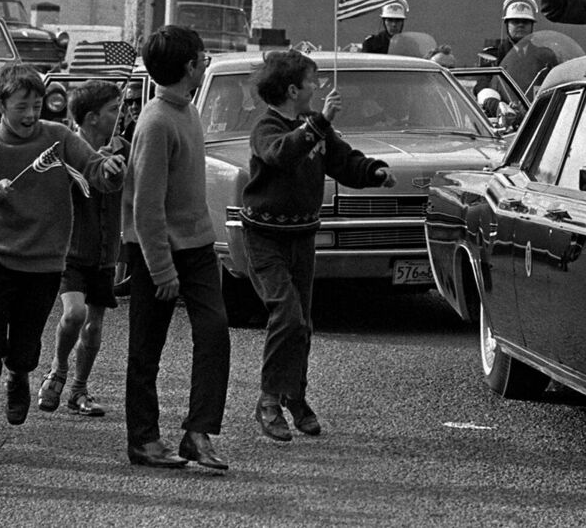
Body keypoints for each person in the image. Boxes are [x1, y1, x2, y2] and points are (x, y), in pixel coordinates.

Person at [0, 63, 125, 467]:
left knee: (25, 350)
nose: (31, 115)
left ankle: (20, 373)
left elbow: (95, 172)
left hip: (46, 263)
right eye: (21, 107)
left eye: (36, 106)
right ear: (0, 105)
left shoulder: (59, 137)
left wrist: (111, 170)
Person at [243, 49, 395, 441]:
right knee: (287, 317)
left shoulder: (316, 128)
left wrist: (373, 172)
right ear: (293, 89)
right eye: (313, 81)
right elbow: (281, 155)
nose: (319, 86)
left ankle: (296, 396)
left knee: (303, 326)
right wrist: (322, 121)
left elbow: (344, 161)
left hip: (302, 237)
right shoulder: (266, 126)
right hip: (265, 237)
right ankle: (268, 401)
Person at [124, 26, 230, 471]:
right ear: (189, 67)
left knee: (215, 332)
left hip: (199, 245)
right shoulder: (156, 120)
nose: (206, 62)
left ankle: (197, 432)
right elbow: (145, 208)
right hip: (157, 251)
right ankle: (143, 440)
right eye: (202, 57)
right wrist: (162, 270)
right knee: (146, 348)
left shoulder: (186, 109)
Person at [37, 80, 127, 418]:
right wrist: (91, 165)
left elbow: (130, 185)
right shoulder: (63, 149)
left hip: (105, 252)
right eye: (113, 111)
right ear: (91, 118)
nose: (120, 115)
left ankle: (79, 389)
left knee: (94, 325)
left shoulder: (123, 148)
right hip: (71, 250)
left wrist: (116, 167)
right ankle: (57, 371)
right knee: (75, 314)